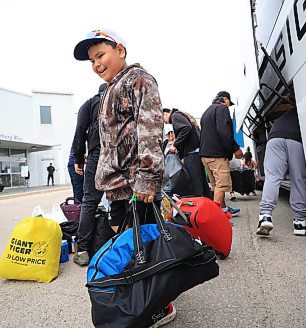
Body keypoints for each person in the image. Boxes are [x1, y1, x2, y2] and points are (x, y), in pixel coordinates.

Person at [74, 28, 176, 327]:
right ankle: (141, 297)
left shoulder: (139, 79)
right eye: (92, 61)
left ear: (120, 49)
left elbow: (150, 130)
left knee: (146, 245)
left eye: (100, 55)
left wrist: (147, 178)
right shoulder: (110, 89)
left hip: (137, 184)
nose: (96, 64)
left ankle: (162, 305)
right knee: (131, 245)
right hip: (118, 186)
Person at [256, 109, 306, 236]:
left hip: (274, 137)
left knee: (272, 178)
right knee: (298, 178)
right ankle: (300, 223)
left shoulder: (287, 113)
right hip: (295, 138)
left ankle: (265, 217)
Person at [71, 84, 106, 266]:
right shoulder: (122, 99)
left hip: (97, 154)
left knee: (90, 202)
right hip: (121, 156)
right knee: (121, 200)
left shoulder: (90, 103)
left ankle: (83, 250)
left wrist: (78, 158)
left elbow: (79, 133)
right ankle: (127, 244)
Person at [199, 91, 243, 216]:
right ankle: (216, 217)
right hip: (216, 154)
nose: (229, 106)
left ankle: (223, 209)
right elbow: (224, 131)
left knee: (216, 184)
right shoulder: (222, 109)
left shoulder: (207, 111)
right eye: (229, 103)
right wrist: (235, 148)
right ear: (225, 99)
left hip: (205, 155)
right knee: (222, 184)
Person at [164, 108, 212, 198]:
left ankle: (199, 207)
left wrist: (175, 145)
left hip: (191, 154)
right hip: (197, 152)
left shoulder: (175, 115)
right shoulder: (183, 115)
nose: (166, 122)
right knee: (202, 183)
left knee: (195, 183)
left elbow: (186, 128)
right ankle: (208, 206)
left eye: (164, 120)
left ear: (166, 114)